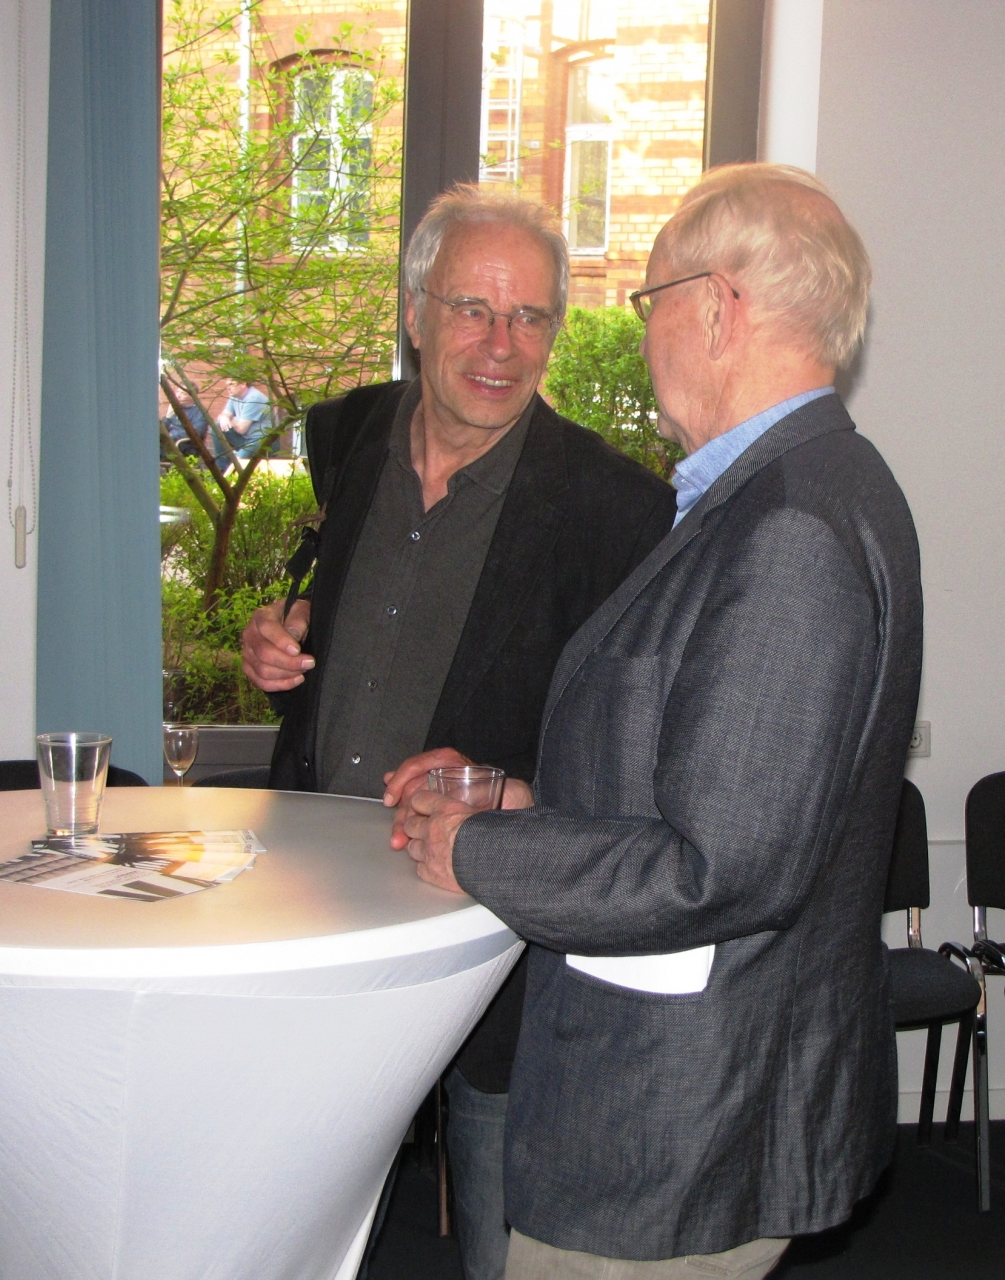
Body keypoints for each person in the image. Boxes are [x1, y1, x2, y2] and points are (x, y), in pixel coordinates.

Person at [394, 163, 923, 1279]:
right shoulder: (792, 488)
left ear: (718, 308)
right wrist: (525, 799)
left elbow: (717, 868)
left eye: (649, 303)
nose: (642, 337)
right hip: (685, 1101)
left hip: (674, 1123)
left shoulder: (789, 526)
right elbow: (710, 783)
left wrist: (478, 848)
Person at [241, 185, 675, 1279]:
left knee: (499, 1238)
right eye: (473, 309)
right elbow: (348, 618)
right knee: (293, 1229)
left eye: (529, 316)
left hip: (487, 932)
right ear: (414, 312)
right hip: (317, 910)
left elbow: (633, 750)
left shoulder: (615, 508)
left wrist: (502, 780)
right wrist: (284, 639)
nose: (500, 344)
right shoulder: (346, 437)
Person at [218, 378, 274, 460]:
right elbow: (223, 415)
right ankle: (221, 464)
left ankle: (236, 459)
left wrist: (228, 420)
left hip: (259, 440)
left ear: (243, 384)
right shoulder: (234, 397)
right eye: (227, 385)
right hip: (244, 438)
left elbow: (241, 429)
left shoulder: (254, 398)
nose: (228, 388)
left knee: (239, 461)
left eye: (232, 384)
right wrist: (224, 417)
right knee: (217, 427)